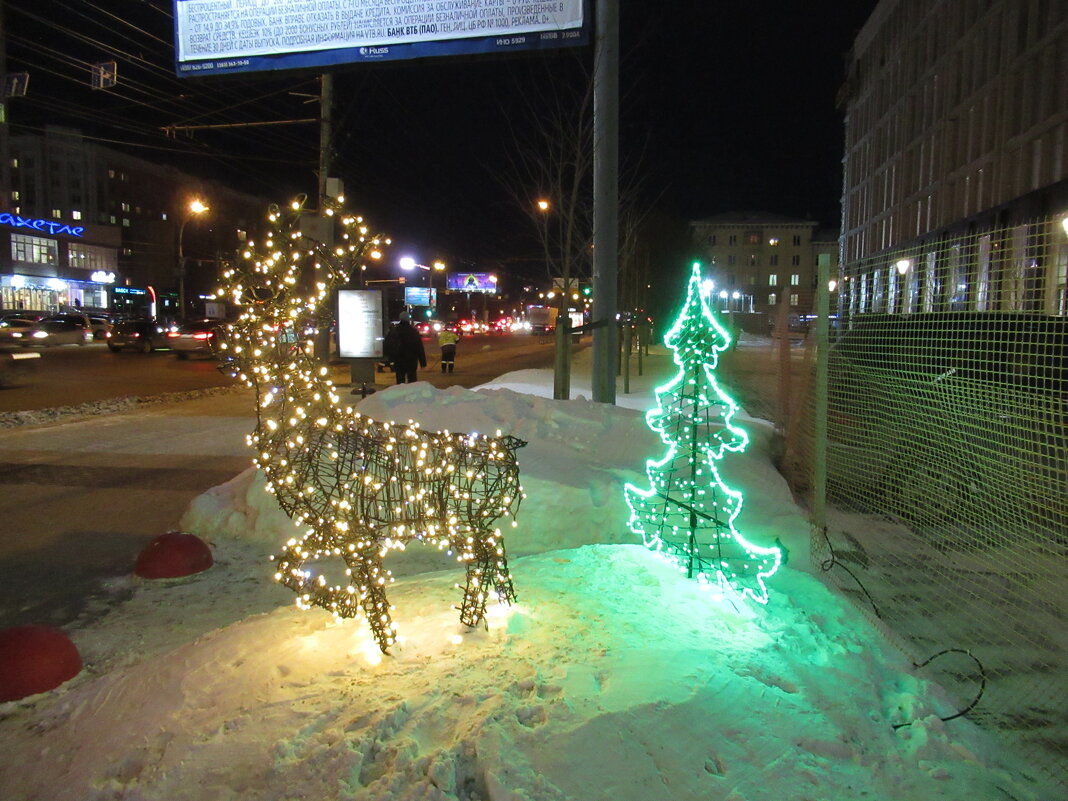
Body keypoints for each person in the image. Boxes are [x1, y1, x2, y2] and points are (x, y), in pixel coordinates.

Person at [383, 313, 426, 384]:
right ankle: (411, 393)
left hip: (398, 359)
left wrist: (388, 356)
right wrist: (423, 362)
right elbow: (419, 347)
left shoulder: (394, 330)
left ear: (400, 318)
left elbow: (388, 344)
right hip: (411, 360)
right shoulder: (413, 331)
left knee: (400, 379)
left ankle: (401, 393)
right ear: (408, 319)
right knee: (412, 380)